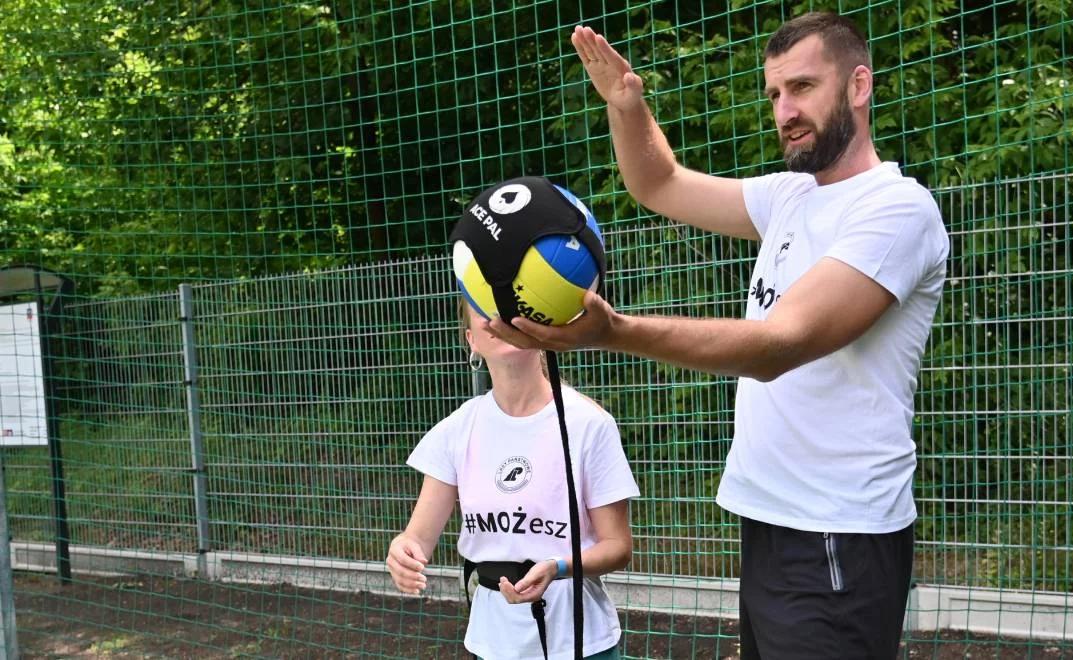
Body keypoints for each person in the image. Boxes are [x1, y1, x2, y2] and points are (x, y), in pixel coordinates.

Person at [485, 12, 950, 660]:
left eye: (803, 87)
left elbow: (779, 344)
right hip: (770, 525)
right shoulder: (789, 197)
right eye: (774, 94)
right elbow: (660, 183)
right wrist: (627, 105)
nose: (785, 110)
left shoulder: (897, 211)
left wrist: (614, 331)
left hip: (837, 535)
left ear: (859, 86)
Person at [385, 301, 640, 660]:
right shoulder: (457, 430)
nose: (498, 317)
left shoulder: (588, 423)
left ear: (538, 329)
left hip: (580, 642)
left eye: (507, 307)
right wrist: (403, 551)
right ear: (472, 340)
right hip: (491, 642)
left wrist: (558, 567)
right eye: (484, 308)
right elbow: (417, 539)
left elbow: (618, 547)